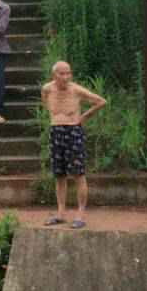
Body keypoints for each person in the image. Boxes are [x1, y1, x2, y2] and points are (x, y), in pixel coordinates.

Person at [41, 61, 107, 229]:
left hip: (73, 131)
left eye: (68, 73)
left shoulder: (76, 90)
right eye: (61, 74)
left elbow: (101, 101)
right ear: (54, 75)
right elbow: (45, 104)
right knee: (59, 174)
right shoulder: (47, 89)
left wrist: (84, 116)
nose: (65, 77)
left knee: (78, 173)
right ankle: (61, 212)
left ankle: (80, 213)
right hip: (56, 131)